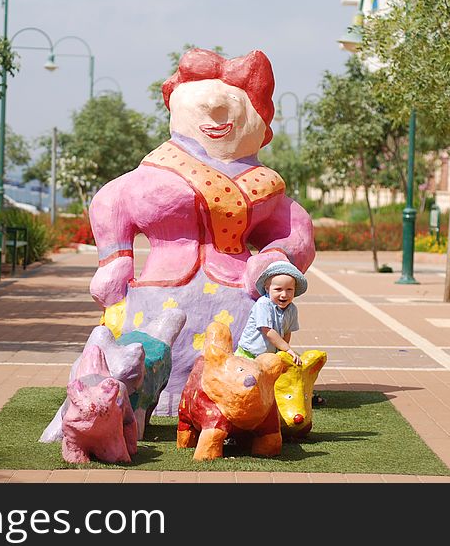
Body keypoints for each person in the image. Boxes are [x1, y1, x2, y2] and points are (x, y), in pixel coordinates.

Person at [88, 48, 316, 415]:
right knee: (148, 361)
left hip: (239, 298)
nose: (215, 112)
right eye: (204, 105)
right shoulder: (155, 170)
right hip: (157, 294)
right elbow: (110, 202)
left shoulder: (264, 185)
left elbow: (297, 231)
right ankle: (148, 400)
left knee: (237, 372)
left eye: (232, 105)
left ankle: (240, 403)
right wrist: (115, 259)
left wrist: (276, 257)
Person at [236, 259, 326, 406]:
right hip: (250, 354)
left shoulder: (291, 309)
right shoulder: (263, 304)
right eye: (278, 290)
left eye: (289, 290)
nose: (284, 295)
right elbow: (268, 331)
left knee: (284, 375)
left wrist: (283, 351)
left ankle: (305, 395)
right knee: (246, 384)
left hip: (270, 356)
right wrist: (288, 349)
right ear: (267, 288)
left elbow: (287, 332)